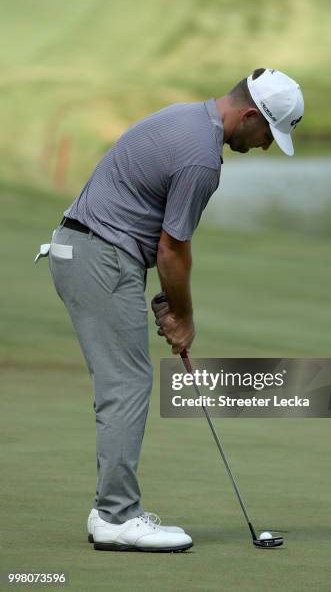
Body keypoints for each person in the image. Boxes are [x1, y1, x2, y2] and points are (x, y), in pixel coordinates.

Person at [42, 67, 304, 552]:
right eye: (268, 131)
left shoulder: (186, 117)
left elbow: (152, 228)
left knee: (126, 381)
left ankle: (111, 511)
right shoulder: (202, 159)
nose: (267, 144)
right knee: (127, 383)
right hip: (101, 256)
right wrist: (183, 318)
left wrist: (168, 302)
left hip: (91, 249)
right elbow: (172, 251)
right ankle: (117, 517)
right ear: (249, 115)